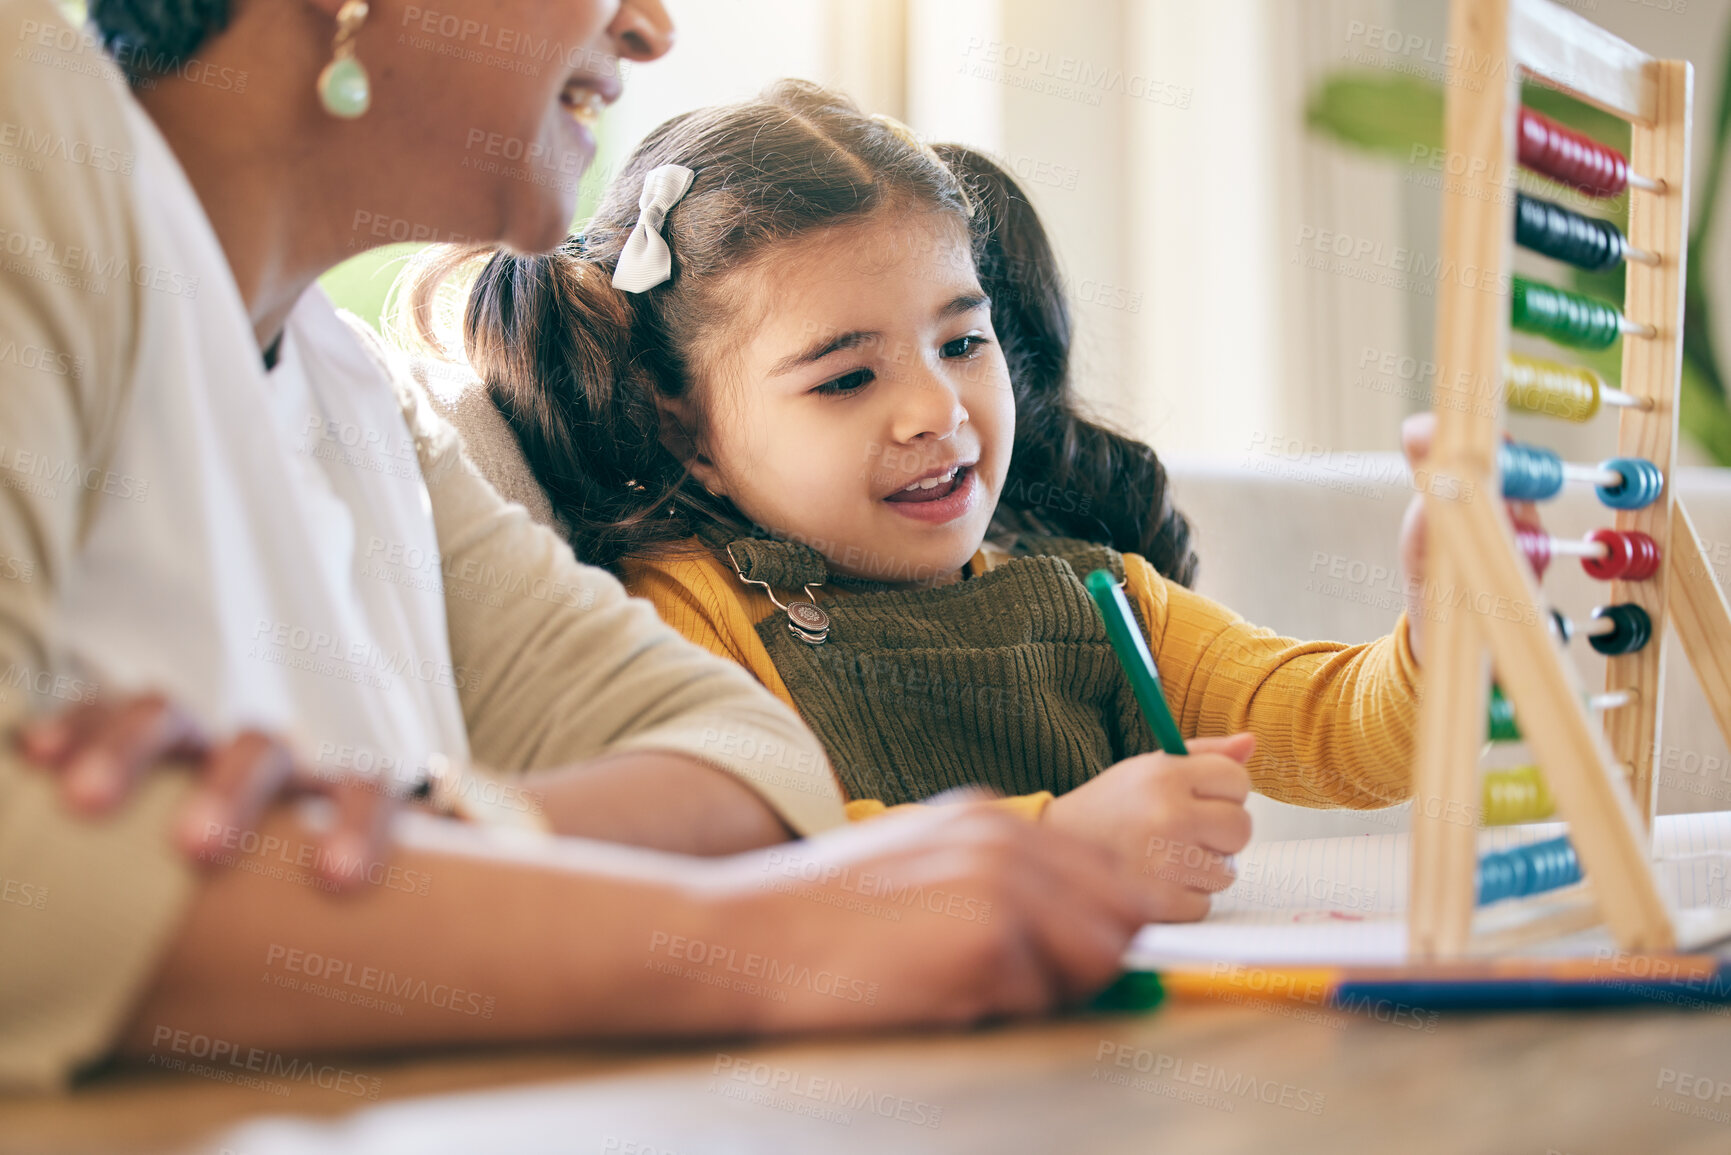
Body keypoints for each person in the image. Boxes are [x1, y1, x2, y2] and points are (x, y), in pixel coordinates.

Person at [0, 0, 1157, 1092]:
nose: (652, 27)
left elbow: (751, 758)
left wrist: (419, 832)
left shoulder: (348, 384)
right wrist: (763, 941)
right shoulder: (28, 130)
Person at [430, 81, 1466, 912]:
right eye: (845, 378)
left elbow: (1350, 737)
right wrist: (1060, 844)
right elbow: (758, 858)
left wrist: (1445, 627)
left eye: (962, 343)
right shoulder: (685, 613)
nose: (936, 408)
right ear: (681, 427)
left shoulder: (1103, 600)